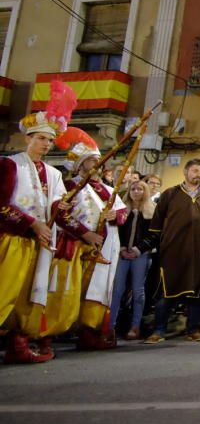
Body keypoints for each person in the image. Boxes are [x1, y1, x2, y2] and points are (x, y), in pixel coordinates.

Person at [45, 133, 127, 351]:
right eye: (91, 160)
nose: (97, 164)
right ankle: (49, 333)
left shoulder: (108, 189)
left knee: (97, 289)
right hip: (75, 245)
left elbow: (122, 212)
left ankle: (90, 329)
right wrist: (86, 234)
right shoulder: (69, 186)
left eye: (97, 160)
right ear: (80, 165)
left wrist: (115, 217)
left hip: (104, 247)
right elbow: (61, 215)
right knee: (68, 288)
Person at [1, 107, 70, 364]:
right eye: (41, 138)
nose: (47, 144)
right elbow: (2, 204)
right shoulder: (10, 164)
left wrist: (59, 208)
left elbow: (55, 205)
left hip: (39, 242)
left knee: (29, 294)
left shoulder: (54, 173)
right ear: (28, 138)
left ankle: (18, 345)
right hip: (12, 238)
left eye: (50, 140)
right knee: (5, 292)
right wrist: (32, 223)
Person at [140, 158, 200, 344]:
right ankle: (159, 330)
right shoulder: (170, 194)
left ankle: (193, 329)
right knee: (166, 293)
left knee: (195, 293)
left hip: (198, 253)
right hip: (172, 251)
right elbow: (156, 223)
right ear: (186, 172)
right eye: (195, 171)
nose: (198, 175)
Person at [110, 180, 154, 340]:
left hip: (141, 255)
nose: (136, 192)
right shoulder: (121, 209)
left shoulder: (151, 210)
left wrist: (138, 249)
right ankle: (110, 326)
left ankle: (135, 326)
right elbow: (115, 230)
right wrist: (122, 248)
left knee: (138, 291)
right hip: (122, 254)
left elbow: (154, 235)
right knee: (117, 290)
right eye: (133, 189)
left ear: (145, 191)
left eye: (140, 189)